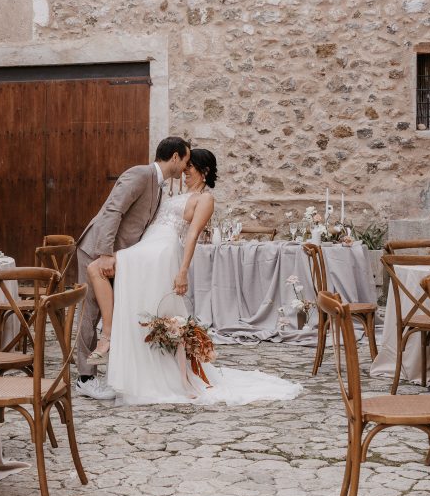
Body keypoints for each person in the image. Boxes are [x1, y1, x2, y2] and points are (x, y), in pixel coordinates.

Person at [106, 148, 301, 405]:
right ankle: (134, 366)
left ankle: (159, 371)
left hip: (163, 253)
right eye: (185, 166)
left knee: (148, 297)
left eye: (191, 167)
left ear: (204, 171)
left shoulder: (205, 199)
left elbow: (192, 235)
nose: (185, 171)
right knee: (139, 303)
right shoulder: (176, 193)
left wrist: (183, 270)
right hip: (147, 245)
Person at [75, 136, 191, 399]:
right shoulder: (140, 174)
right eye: (185, 159)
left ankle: (108, 370)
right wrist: (104, 253)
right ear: (175, 157)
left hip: (120, 258)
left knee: (113, 312)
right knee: (90, 313)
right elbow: (113, 211)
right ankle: (84, 378)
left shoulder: (159, 187)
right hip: (97, 250)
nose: (186, 166)